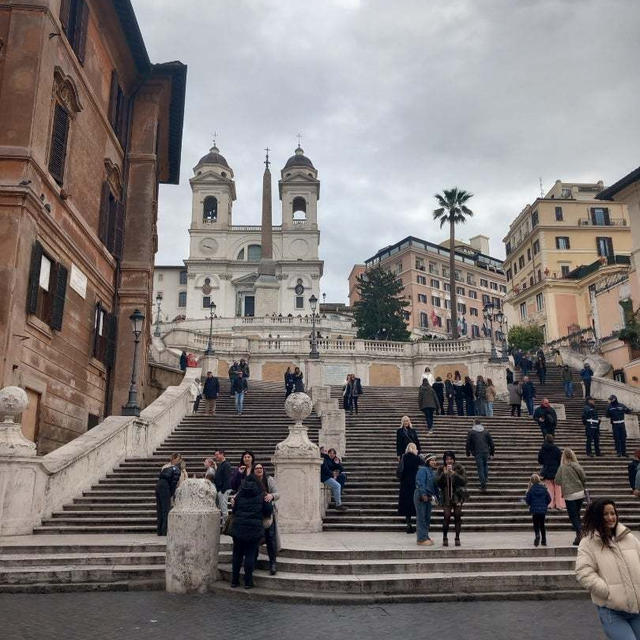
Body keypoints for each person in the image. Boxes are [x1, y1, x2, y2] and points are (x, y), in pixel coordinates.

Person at [576, 498, 640, 639]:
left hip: (637, 609)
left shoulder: (629, 537)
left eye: (613, 513)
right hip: (612, 611)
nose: (610, 518)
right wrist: (608, 592)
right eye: (605, 514)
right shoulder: (588, 543)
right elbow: (583, 572)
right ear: (598, 516)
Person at [230, 473, 273, 589]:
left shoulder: (239, 495)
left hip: (238, 528)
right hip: (254, 528)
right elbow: (268, 511)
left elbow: (234, 510)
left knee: (237, 555)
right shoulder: (261, 494)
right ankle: (248, 582)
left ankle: (234, 581)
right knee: (250, 554)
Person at [555, 448, 587, 545]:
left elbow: (557, 480)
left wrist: (565, 482)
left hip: (569, 494)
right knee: (576, 514)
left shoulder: (562, 467)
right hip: (580, 493)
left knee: (573, 516)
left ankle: (580, 532)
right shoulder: (577, 465)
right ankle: (578, 536)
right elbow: (584, 477)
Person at [253, 463, 280, 575]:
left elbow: (277, 493)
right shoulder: (251, 480)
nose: (259, 470)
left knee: (270, 539)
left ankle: (272, 563)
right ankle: (253, 561)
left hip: (268, 515)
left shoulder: (269, 480)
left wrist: (271, 496)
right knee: (254, 539)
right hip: (255, 514)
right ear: (254, 470)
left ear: (263, 470)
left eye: (260, 468)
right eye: (257, 468)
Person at [436, 451, 467, 547]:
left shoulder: (459, 467)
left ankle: (457, 538)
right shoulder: (441, 468)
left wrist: (454, 474)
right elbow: (437, 482)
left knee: (457, 516)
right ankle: (445, 537)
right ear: (444, 460)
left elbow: (464, 481)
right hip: (446, 497)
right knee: (447, 516)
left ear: (454, 459)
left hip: (457, 496)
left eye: (451, 459)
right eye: (447, 459)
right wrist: (443, 474)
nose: (449, 461)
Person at [414, 453, 440, 545]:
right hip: (421, 496)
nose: (434, 462)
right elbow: (420, 482)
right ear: (427, 461)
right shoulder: (423, 470)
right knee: (421, 517)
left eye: (435, 460)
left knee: (427, 517)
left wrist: (437, 497)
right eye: (432, 460)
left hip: (429, 497)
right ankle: (421, 539)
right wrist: (423, 494)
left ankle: (425, 536)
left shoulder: (432, 472)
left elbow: (435, 487)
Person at [155, 453, 181, 536]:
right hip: (165, 488)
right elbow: (174, 483)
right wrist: (171, 493)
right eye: (179, 459)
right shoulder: (176, 469)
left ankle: (160, 530)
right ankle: (164, 531)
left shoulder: (165, 468)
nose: (180, 461)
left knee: (160, 509)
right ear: (175, 459)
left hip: (159, 486)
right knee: (166, 510)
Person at [397, 442, 421, 533]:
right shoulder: (417, 458)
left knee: (407, 505)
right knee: (416, 505)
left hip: (405, 484)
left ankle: (408, 525)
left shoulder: (404, 457)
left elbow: (400, 471)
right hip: (415, 484)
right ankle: (418, 525)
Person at [465, 418, 495, 492]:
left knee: (480, 468)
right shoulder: (486, 432)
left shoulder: (471, 432)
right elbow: (491, 443)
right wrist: (492, 453)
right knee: (485, 465)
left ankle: (483, 484)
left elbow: (468, 443)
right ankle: (485, 478)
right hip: (486, 451)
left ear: (474, 423)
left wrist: (468, 452)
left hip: (478, 452)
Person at [538, 434, 565, 510]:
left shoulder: (542, 449)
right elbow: (560, 460)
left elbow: (540, 460)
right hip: (556, 470)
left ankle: (550, 504)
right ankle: (559, 504)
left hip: (546, 470)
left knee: (549, 488)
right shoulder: (556, 449)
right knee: (558, 488)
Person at [525, 473, 551, 547]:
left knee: (536, 524)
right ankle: (544, 540)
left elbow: (527, 500)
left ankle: (537, 535)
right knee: (542, 525)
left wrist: (531, 504)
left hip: (534, 510)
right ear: (539, 479)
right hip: (542, 510)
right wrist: (545, 505)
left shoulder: (531, 490)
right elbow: (549, 499)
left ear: (531, 481)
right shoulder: (544, 488)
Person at [214, 449, 233, 518]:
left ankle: (226, 526)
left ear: (222, 454)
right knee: (222, 509)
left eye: (217, 455)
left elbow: (227, 478)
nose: (216, 457)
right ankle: (224, 524)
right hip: (221, 489)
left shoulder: (226, 464)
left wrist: (223, 490)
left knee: (224, 509)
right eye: (215, 455)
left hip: (223, 490)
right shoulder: (221, 465)